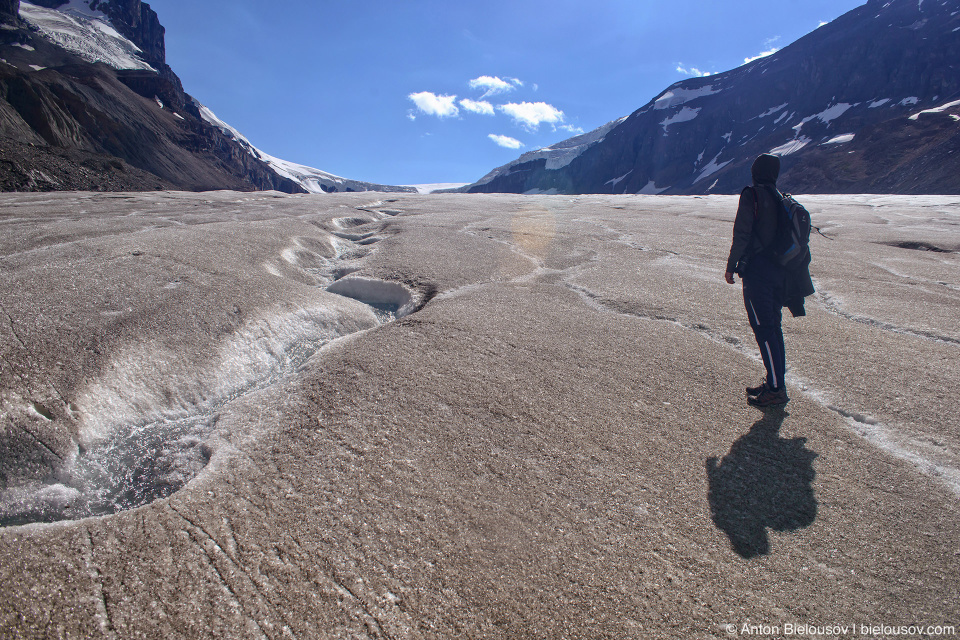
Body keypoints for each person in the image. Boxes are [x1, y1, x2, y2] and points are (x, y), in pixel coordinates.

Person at [724, 154, 812, 408]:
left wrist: (731, 266)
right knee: (773, 328)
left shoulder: (752, 195)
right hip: (780, 272)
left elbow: (742, 233)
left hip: (759, 273)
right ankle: (774, 381)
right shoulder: (780, 197)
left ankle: (776, 388)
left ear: (755, 172)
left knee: (765, 330)